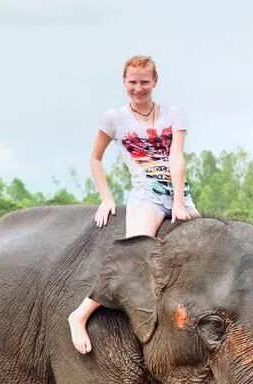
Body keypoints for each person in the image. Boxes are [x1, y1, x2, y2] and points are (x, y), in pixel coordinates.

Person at [68, 55, 200, 354]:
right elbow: (95, 159)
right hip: (145, 195)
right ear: (124, 82)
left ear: (155, 82)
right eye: (132, 82)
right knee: (133, 255)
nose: (138, 88)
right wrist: (106, 197)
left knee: (203, 253)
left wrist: (180, 203)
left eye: (144, 82)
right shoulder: (113, 118)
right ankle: (80, 315)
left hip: (180, 192)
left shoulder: (173, 114)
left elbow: (176, 157)